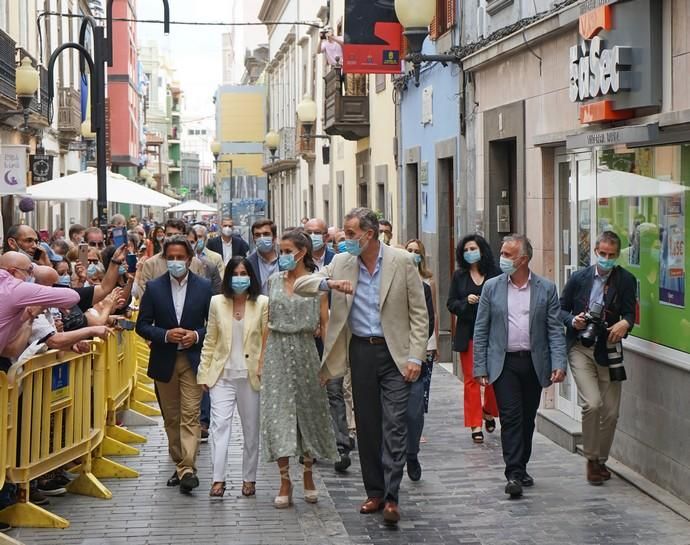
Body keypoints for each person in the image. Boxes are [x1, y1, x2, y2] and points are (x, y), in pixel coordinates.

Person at [294, 208, 428, 525]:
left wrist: (415, 357)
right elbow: (301, 285)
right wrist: (331, 285)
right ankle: (375, 492)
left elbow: (419, 316)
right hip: (360, 353)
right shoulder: (341, 262)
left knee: (394, 425)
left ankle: (393, 497)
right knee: (368, 427)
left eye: (351, 234)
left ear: (369, 234)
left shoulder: (401, 262)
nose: (347, 240)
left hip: (394, 353)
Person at [473, 234, 567, 499]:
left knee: (527, 419)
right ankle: (513, 473)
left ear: (523, 259)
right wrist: (480, 366)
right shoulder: (492, 287)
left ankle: (521, 465)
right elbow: (481, 329)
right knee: (511, 417)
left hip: (534, 363)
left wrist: (559, 363)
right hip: (504, 364)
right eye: (502, 253)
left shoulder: (546, 289)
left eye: (507, 254)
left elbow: (554, 330)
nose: (502, 258)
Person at [261, 230, 336, 509]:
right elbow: (268, 323)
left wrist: (328, 362)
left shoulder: (317, 284)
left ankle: (307, 474)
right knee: (278, 414)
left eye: (286, 251)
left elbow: (325, 323)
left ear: (301, 253)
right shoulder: (273, 282)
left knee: (308, 413)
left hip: (306, 352)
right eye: (280, 251)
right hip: (277, 353)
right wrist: (260, 361)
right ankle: (284, 479)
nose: (281, 256)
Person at [135, 236, 212, 494]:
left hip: (192, 359)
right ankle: (181, 465)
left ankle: (188, 468)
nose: (176, 262)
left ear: (189, 259)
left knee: (190, 414)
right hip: (164, 358)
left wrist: (196, 335)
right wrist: (165, 335)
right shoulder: (154, 288)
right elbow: (142, 325)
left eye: (181, 257)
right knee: (172, 416)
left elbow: (212, 323)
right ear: (165, 259)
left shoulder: (203, 286)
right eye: (172, 258)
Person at [559, 231, 636, 485]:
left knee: (611, 413)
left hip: (610, 350)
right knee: (592, 404)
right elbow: (559, 309)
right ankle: (591, 460)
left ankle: (602, 459)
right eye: (602, 254)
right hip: (580, 348)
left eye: (611, 255)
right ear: (595, 250)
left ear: (618, 255)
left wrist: (625, 323)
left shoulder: (626, 280)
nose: (606, 259)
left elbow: (630, 313)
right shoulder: (579, 278)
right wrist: (574, 320)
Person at [197, 257, 268, 499]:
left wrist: (262, 366)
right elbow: (210, 339)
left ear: (251, 276)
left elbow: (267, 341)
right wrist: (204, 373)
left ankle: (250, 479)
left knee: (251, 430)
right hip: (222, 375)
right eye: (235, 273)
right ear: (228, 277)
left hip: (250, 376)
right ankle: (218, 480)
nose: (240, 277)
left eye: (244, 273)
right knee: (220, 427)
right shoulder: (217, 302)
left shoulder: (262, 303)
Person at [305, 218, 351, 472]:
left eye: (318, 233)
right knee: (310, 393)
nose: (313, 236)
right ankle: (310, 446)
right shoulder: (297, 264)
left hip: (334, 337)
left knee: (334, 391)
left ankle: (340, 444)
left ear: (326, 237)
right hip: (306, 339)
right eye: (309, 232)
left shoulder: (339, 261)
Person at [447, 234, 500, 443]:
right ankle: (475, 424)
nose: (470, 253)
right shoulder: (459, 276)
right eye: (466, 249)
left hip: (492, 335)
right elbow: (451, 303)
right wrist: (465, 302)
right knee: (471, 380)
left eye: (473, 248)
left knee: (494, 379)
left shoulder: (495, 274)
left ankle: (488, 410)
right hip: (467, 334)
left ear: (482, 250)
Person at [0, 252, 80, 361]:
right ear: (13, 272)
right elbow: (72, 297)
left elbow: (10, 350)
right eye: (29, 271)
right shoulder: (14, 288)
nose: (31, 276)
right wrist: (93, 331)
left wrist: (30, 318)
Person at [404, 238, 438, 480]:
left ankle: (411, 452)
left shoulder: (425, 287)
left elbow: (427, 323)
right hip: (389, 358)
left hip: (415, 356)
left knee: (415, 411)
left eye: (416, 253)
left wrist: (416, 353)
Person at [136, 220, 206, 295]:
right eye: (169, 234)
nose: (172, 238)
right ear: (164, 235)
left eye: (177, 234)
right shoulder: (151, 264)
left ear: (184, 236)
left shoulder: (195, 263)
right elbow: (144, 293)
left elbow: (201, 291)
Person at [246, 219, 280, 296]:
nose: (262, 238)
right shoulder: (248, 263)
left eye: (266, 234)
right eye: (257, 235)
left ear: (274, 237)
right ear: (254, 239)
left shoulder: (286, 261)